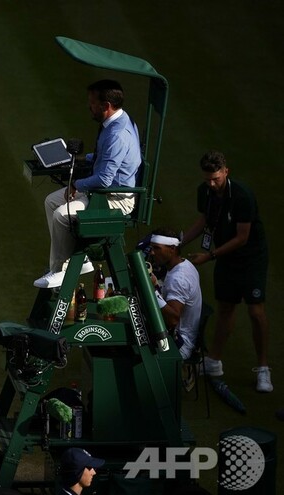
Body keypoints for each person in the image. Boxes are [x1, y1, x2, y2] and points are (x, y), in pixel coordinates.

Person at [35, 79, 142, 288]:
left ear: (106, 106)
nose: (89, 106)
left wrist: (76, 185)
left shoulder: (118, 134)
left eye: (92, 103)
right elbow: (109, 157)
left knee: (62, 214)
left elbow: (104, 179)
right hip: (102, 192)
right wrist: (87, 159)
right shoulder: (118, 120)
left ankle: (60, 270)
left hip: (115, 198)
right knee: (51, 201)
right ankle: (79, 260)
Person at [181, 151, 272, 392]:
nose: (211, 184)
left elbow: (242, 238)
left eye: (216, 179)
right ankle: (214, 362)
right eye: (207, 179)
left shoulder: (242, 196)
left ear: (226, 172)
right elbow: (204, 220)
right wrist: (179, 242)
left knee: (255, 311)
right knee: (225, 308)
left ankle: (263, 368)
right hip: (226, 257)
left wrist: (210, 256)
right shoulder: (205, 192)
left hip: (251, 259)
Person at [148, 228, 202, 361]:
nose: (152, 252)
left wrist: (151, 290)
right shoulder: (185, 264)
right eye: (151, 248)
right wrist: (156, 285)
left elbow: (172, 320)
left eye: (157, 248)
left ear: (172, 249)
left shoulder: (178, 279)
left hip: (179, 346)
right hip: (183, 337)